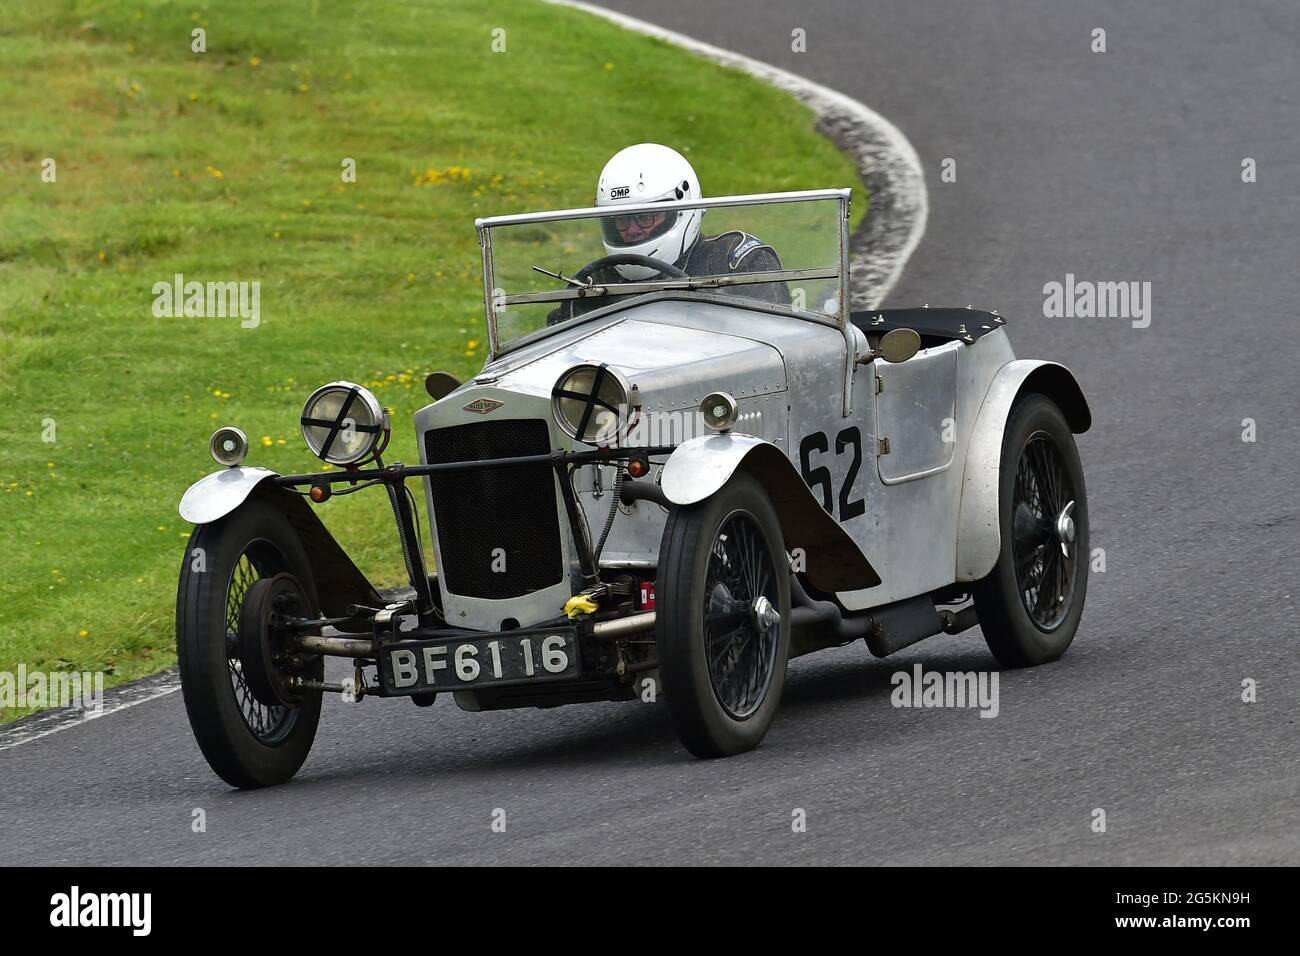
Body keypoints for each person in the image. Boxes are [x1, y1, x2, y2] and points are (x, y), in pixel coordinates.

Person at [548, 144, 790, 324]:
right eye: (621, 220)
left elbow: (773, 349)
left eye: (645, 218)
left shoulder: (737, 263)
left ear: (683, 210)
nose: (632, 230)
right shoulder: (596, 281)